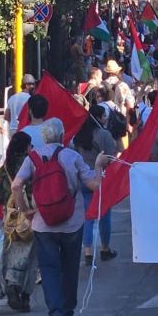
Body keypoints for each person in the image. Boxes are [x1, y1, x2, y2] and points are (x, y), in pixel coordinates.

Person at [11, 118, 109, 316]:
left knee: (48, 267)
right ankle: (67, 311)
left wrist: (25, 211)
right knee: (69, 266)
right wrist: (99, 165)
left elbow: (16, 185)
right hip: (72, 221)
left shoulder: (33, 158)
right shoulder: (72, 156)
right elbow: (93, 185)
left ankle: (54, 313)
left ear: (43, 137)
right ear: (62, 135)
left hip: (43, 222)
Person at [0, 132, 38, 312]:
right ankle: (24, 294)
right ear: (26, 147)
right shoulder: (32, 164)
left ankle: (10, 283)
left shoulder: (5, 168)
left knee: (9, 253)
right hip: (29, 215)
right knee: (30, 256)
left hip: (10, 217)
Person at [70, 105, 118, 265]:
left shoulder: (78, 135)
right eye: (104, 116)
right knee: (104, 214)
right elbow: (111, 158)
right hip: (101, 177)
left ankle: (88, 252)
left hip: (83, 178)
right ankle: (105, 248)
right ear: (98, 118)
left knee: (87, 216)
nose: (105, 118)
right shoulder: (104, 134)